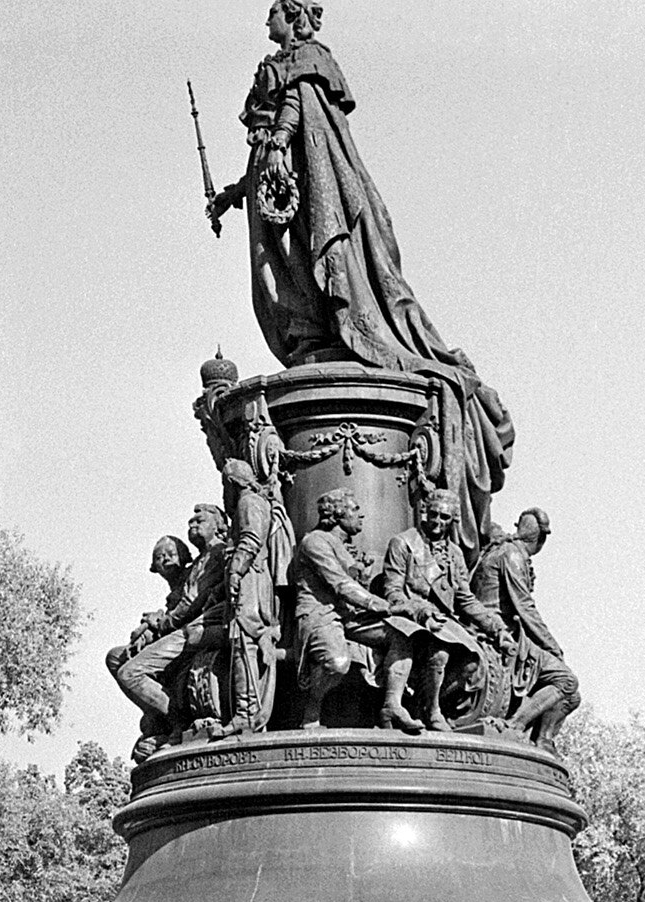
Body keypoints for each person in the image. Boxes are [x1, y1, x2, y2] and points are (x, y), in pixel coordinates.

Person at [207, 0, 514, 560]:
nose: (267, 22)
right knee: (291, 271)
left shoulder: (305, 61)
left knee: (319, 258)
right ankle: (319, 330)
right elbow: (276, 144)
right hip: (286, 189)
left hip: (305, 185)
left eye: (273, 13)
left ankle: (342, 323)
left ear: (292, 16)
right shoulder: (287, 69)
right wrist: (235, 192)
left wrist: (279, 142)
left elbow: (297, 110)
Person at [381, 490, 515, 733]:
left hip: (443, 620)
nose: (437, 522)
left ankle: (425, 701)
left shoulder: (454, 553)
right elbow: (393, 592)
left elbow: (465, 598)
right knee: (440, 652)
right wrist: (421, 611)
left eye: (444, 517)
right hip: (409, 617)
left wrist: (497, 628)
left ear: (452, 520)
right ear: (425, 512)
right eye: (433, 514)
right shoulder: (403, 543)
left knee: (473, 661)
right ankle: (432, 710)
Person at [291, 488, 420, 732]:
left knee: (402, 636)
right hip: (321, 613)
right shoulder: (314, 542)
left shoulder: (343, 545)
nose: (361, 516)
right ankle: (311, 709)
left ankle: (392, 706)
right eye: (355, 510)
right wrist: (384, 606)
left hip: (350, 615)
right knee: (337, 662)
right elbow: (340, 584)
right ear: (338, 514)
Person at [107, 507, 227, 761]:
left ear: (218, 526)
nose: (192, 524)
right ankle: (158, 720)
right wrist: (150, 627)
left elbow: (190, 605)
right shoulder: (199, 562)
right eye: (190, 521)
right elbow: (179, 602)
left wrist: (159, 625)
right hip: (182, 628)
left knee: (130, 673)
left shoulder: (217, 554)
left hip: (197, 629)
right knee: (116, 657)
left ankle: (178, 722)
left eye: (200, 520)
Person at [471, 507, 581, 751]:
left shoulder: (504, 550)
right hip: (497, 632)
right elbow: (525, 607)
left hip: (511, 630)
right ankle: (514, 726)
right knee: (566, 681)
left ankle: (543, 742)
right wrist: (552, 646)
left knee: (572, 697)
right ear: (540, 539)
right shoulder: (511, 555)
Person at [212, 457, 295, 738]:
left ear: (232, 483)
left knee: (244, 643)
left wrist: (235, 571)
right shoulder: (254, 502)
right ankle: (246, 712)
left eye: (225, 485)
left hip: (251, 581)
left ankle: (246, 714)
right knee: (243, 644)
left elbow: (251, 539)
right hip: (253, 579)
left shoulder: (248, 503)